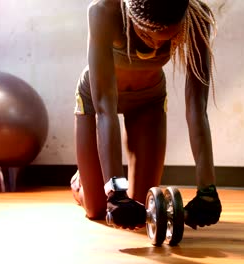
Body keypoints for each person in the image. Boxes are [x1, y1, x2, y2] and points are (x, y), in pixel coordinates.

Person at [71, 0, 222, 230]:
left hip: (148, 102)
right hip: (97, 100)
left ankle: (103, 179)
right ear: (132, 16)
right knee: (99, 209)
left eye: (169, 39)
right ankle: (81, 179)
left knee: (142, 208)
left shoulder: (196, 19)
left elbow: (197, 108)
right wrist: (115, 191)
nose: (158, 45)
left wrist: (207, 189)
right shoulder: (104, 11)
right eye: (150, 35)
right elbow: (105, 109)